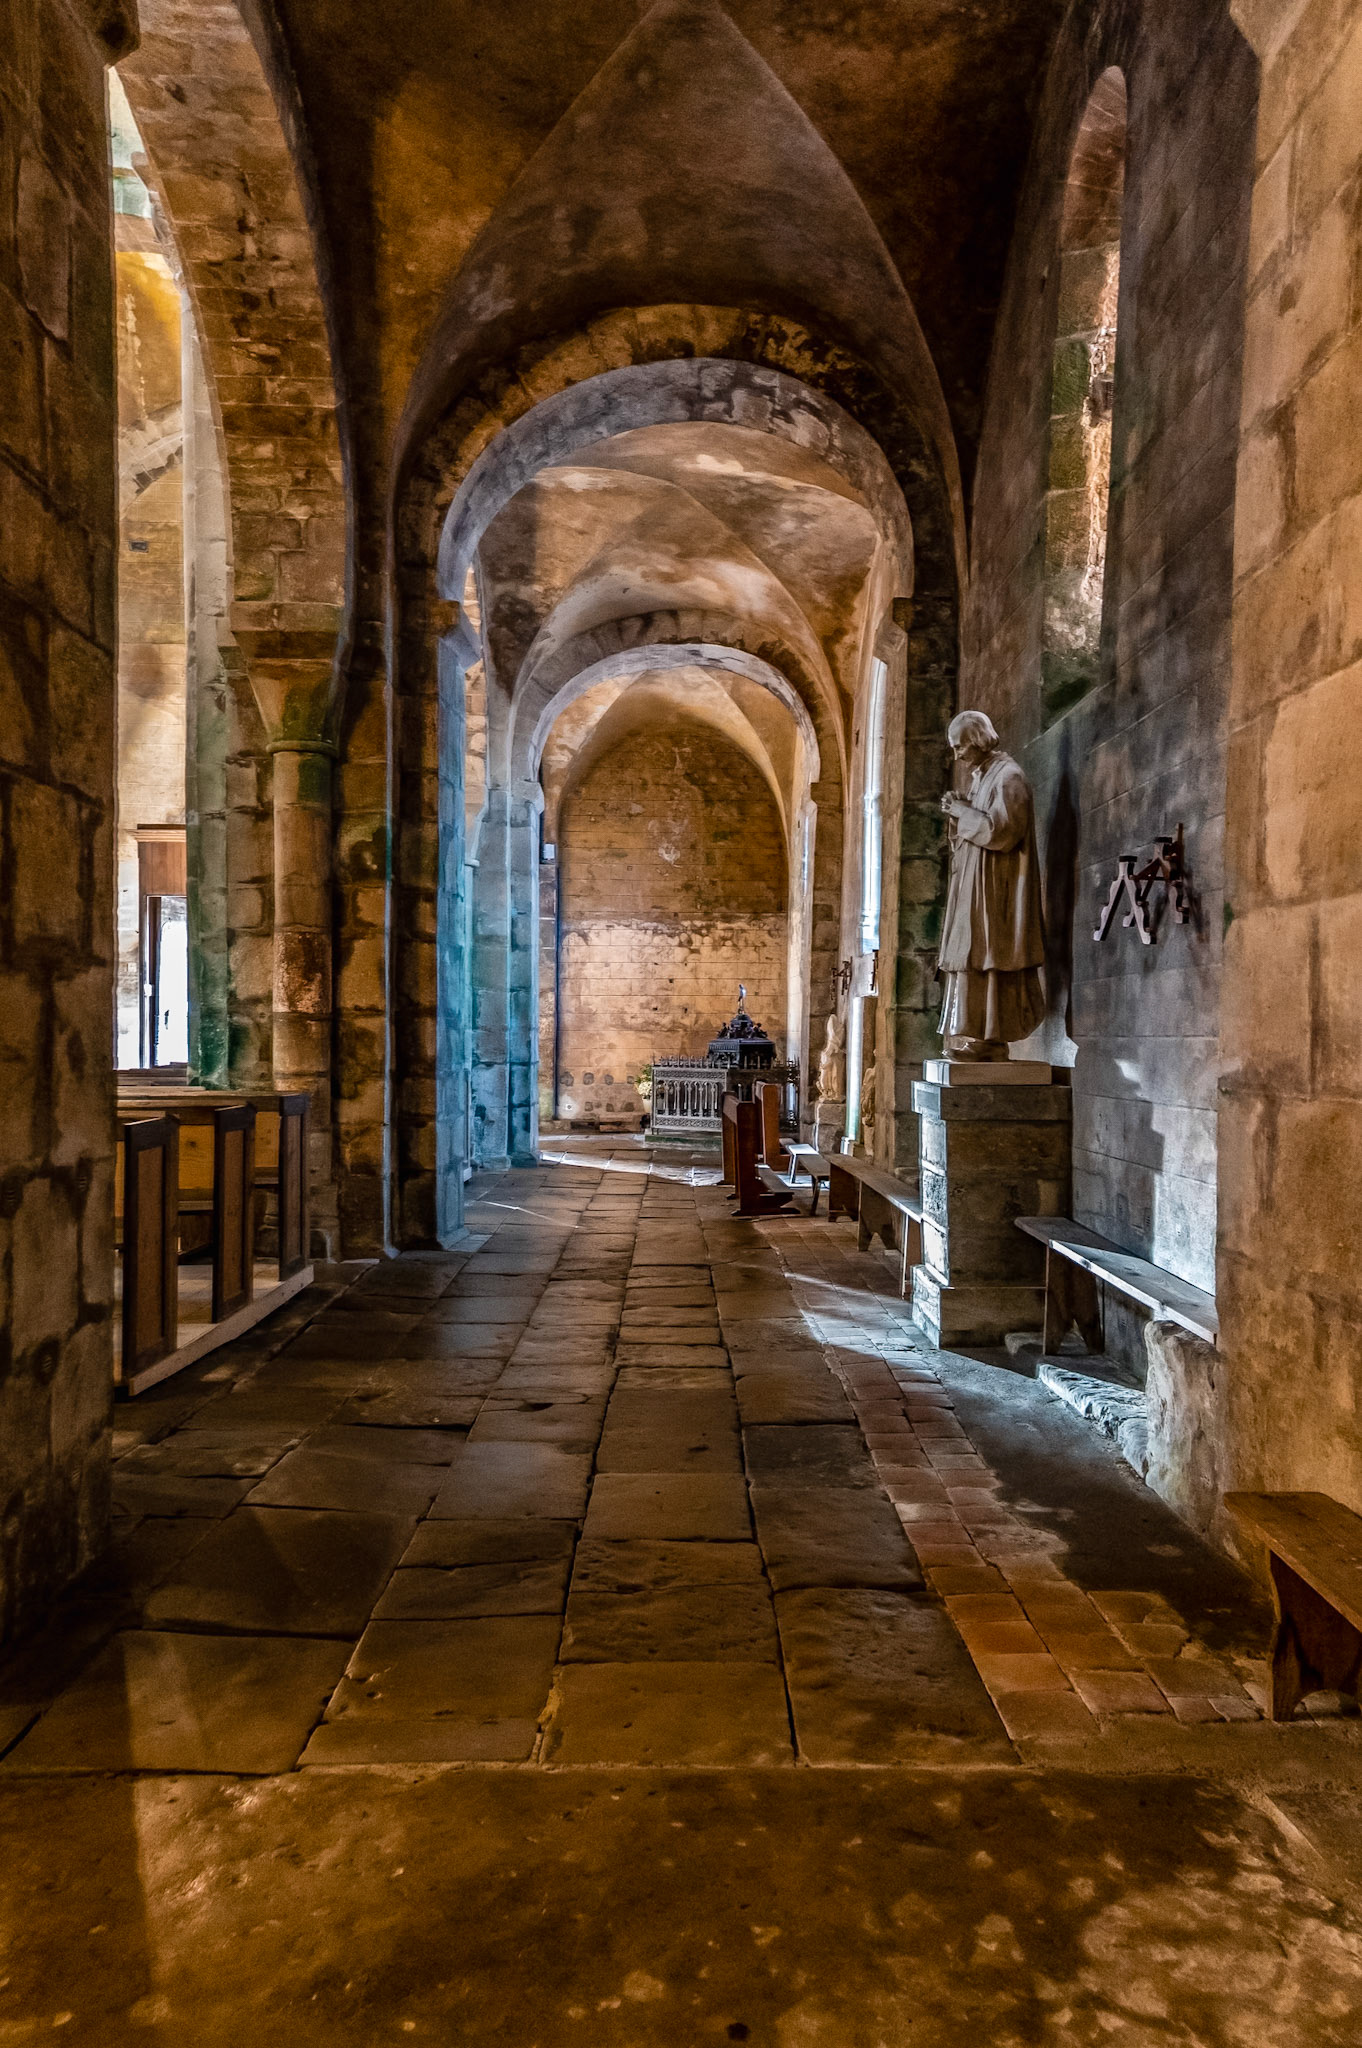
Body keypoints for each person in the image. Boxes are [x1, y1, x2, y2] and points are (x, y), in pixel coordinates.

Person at [938, 709, 1045, 1058]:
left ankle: (992, 1039)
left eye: (960, 747)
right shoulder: (984, 777)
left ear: (979, 740)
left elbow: (1002, 831)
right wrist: (963, 806)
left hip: (997, 892)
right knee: (974, 956)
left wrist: (962, 813)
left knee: (990, 958)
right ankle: (982, 1037)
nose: (957, 756)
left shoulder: (1008, 777)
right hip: (977, 885)